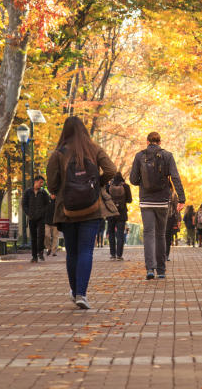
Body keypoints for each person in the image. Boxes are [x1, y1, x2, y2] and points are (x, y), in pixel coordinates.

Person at [46, 116, 119, 309]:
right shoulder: (94, 149)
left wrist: (62, 189)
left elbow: (52, 185)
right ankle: (81, 293)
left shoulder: (58, 154)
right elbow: (112, 170)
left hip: (67, 210)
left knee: (72, 252)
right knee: (86, 250)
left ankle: (74, 290)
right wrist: (97, 185)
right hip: (92, 208)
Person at [129, 131, 186, 280]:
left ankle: (150, 269)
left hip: (146, 200)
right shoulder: (167, 156)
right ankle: (161, 270)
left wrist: (143, 181)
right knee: (160, 234)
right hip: (162, 201)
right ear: (160, 143)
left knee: (148, 234)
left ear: (147, 142)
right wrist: (181, 198)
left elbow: (133, 179)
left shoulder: (139, 156)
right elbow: (175, 177)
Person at [21, 176, 51, 263]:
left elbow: (48, 204)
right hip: (31, 218)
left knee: (41, 236)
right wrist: (28, 213)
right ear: (35, 181)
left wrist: (43, 212)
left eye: (42, 183)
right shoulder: (28, 192)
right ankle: (34, 256)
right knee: (33, 237)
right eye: (40, 182)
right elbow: (24, 204)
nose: (41, 184)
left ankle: (40, 252)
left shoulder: (43, 192)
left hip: (41, 218)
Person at [105, 172, 132, 260]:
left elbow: (105, 199)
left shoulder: (108, 186)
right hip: (121, 213)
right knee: (120, 234)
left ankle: (112, 254)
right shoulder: (125, 186)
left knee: (111, 233)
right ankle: (119, 255)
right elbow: (130, 200)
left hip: (111, 213)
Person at [44, 192, 60, 256]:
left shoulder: (58, 201)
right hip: (47, 221)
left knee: (55, 237)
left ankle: (54, 251)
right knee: (46, 235)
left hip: (56, 222)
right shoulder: (46, 201)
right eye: (52, 194)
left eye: (54, 194)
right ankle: (49, 248)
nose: (53, 195)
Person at [165, 191, 181, 261]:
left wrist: (178, 219)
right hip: (167, 217)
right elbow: (176, 208)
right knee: (166, 236)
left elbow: (176, 208)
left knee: (167, 236)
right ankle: (165, 255)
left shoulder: (172, 194)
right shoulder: (172, 194)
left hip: (168, 217)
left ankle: (166, 254)